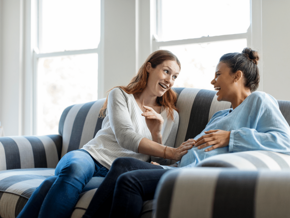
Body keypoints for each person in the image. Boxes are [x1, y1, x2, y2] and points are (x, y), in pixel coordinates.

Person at [82, 48, 290, 218]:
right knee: (121, 164)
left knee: (130, 181)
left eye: (218, 74)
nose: (213, 81)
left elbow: (285, 141)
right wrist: (164, 164)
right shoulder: (220, 116)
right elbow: (196, 153)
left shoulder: (259, 101)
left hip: (196, 174)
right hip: (180, 168)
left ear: (237, 76)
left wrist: (231, 137)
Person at [17, 50, 194, 218]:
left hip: (114, 173)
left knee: (50, 185)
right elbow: (125, 136)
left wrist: (157, 134)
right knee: (73, 169)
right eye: (166, 71)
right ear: (149, 67)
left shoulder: (171, 116)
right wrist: (169, 150)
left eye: (174, 76)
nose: (170, 80)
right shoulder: (121, 95)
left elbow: (161, 164)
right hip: (90, 157)